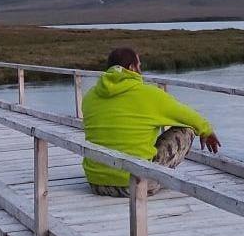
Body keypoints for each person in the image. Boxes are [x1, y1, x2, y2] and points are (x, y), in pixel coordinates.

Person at [81, 47, 222, 197]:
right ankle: (155, 179)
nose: (141, 70)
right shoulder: (149, 94)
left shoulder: (90, 96)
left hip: (96, 183)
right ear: (132, 68)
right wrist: (206, 130)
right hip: (135, 186)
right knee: (186, 130)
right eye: (139, 66)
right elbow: (188, 116)